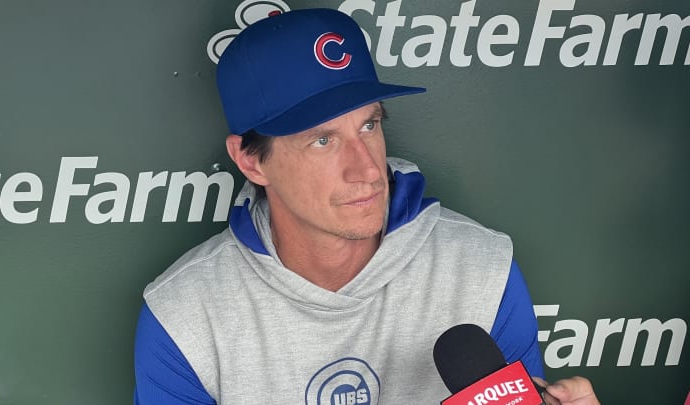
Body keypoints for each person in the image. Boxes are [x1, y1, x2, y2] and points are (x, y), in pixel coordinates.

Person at [133, 8, 600, 404]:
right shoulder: (185, 314)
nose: (368, 171)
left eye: (369, 126)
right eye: (321, 140)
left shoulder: (479, 269)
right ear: (251, 161)